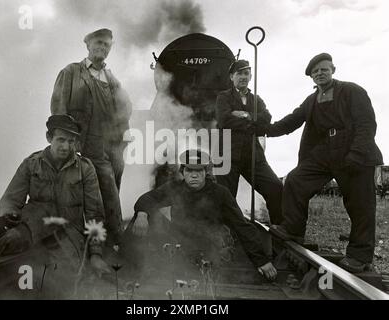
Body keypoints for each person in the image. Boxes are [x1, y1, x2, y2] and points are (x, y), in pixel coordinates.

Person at [255, 53, 383, 273]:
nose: (319, 73)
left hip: (354, 149)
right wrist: (263, 129)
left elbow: (366, 124)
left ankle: (360, 256)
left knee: (360, 204)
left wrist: (356, 153)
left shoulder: (352, 91)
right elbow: (290, 122)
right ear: (311, 77)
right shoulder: (312, 100)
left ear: (333, 69)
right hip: (326, 150)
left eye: (323, 69)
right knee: (296, 179)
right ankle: (293, 228)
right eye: (315, 72)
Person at [0, 115, 110, 296]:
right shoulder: (32, 164)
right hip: (33, 228)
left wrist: (95, 254)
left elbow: (95, 215)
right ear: (49, 138)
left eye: (71, 141)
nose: (66, 146)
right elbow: (9, 201)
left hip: (68, 235)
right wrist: (11, 217)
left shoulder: (85, 169)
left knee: (64, 282)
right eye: (61, 140)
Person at [130, 149, 278, 281]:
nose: (194, 175)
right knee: (141, 215)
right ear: (183, 172)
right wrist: (142, 215)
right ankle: (127, 268)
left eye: (199, 171)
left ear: (206, 172)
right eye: (189, 170)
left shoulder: (220, 193)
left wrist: (261, 260)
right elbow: (148, 198)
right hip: (179, 244)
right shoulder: (175, 188)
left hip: (207, 248)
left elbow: (242, 226)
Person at [50, 28, 132, 245]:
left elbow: (125, 108)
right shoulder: (71, 72)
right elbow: (58, 110)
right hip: (86, 143)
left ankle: (105, 246)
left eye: (106, 45)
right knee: (102, 194)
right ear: (87, 45)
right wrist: (66, 143)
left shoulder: (111, 78)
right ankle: (112, 243)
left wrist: (123, 134)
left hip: (113, 145)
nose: (102, 47)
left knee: (110, 191)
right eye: (98, 42)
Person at [215, 59, 283, 225]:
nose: (243, 77)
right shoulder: (223, 97)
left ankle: (279, 229)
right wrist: (253, 123)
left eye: (246, 73)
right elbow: (224, 120)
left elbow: (266, 119)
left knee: (275, 188)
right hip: (228, 155)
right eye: (239, 73)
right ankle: (226, 234)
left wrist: (245, 116)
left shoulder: (256, 99)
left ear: (251, 76)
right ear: (232, 76)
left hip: (253, 155)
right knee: (226, 198)